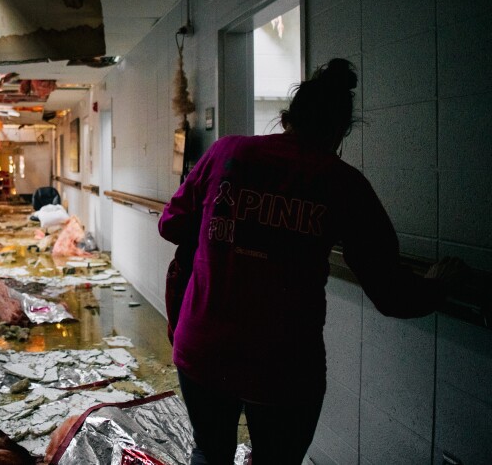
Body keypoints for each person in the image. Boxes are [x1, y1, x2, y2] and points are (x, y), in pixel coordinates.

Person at [158, 58, 464, 464]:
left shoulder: (227, 153)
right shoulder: (344, 184)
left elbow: (172, 225)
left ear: (287, 119)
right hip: (283, 366)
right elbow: (391, 294)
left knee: (210, 453)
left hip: (204, 347)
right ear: (340, 131)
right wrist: (438, 286)